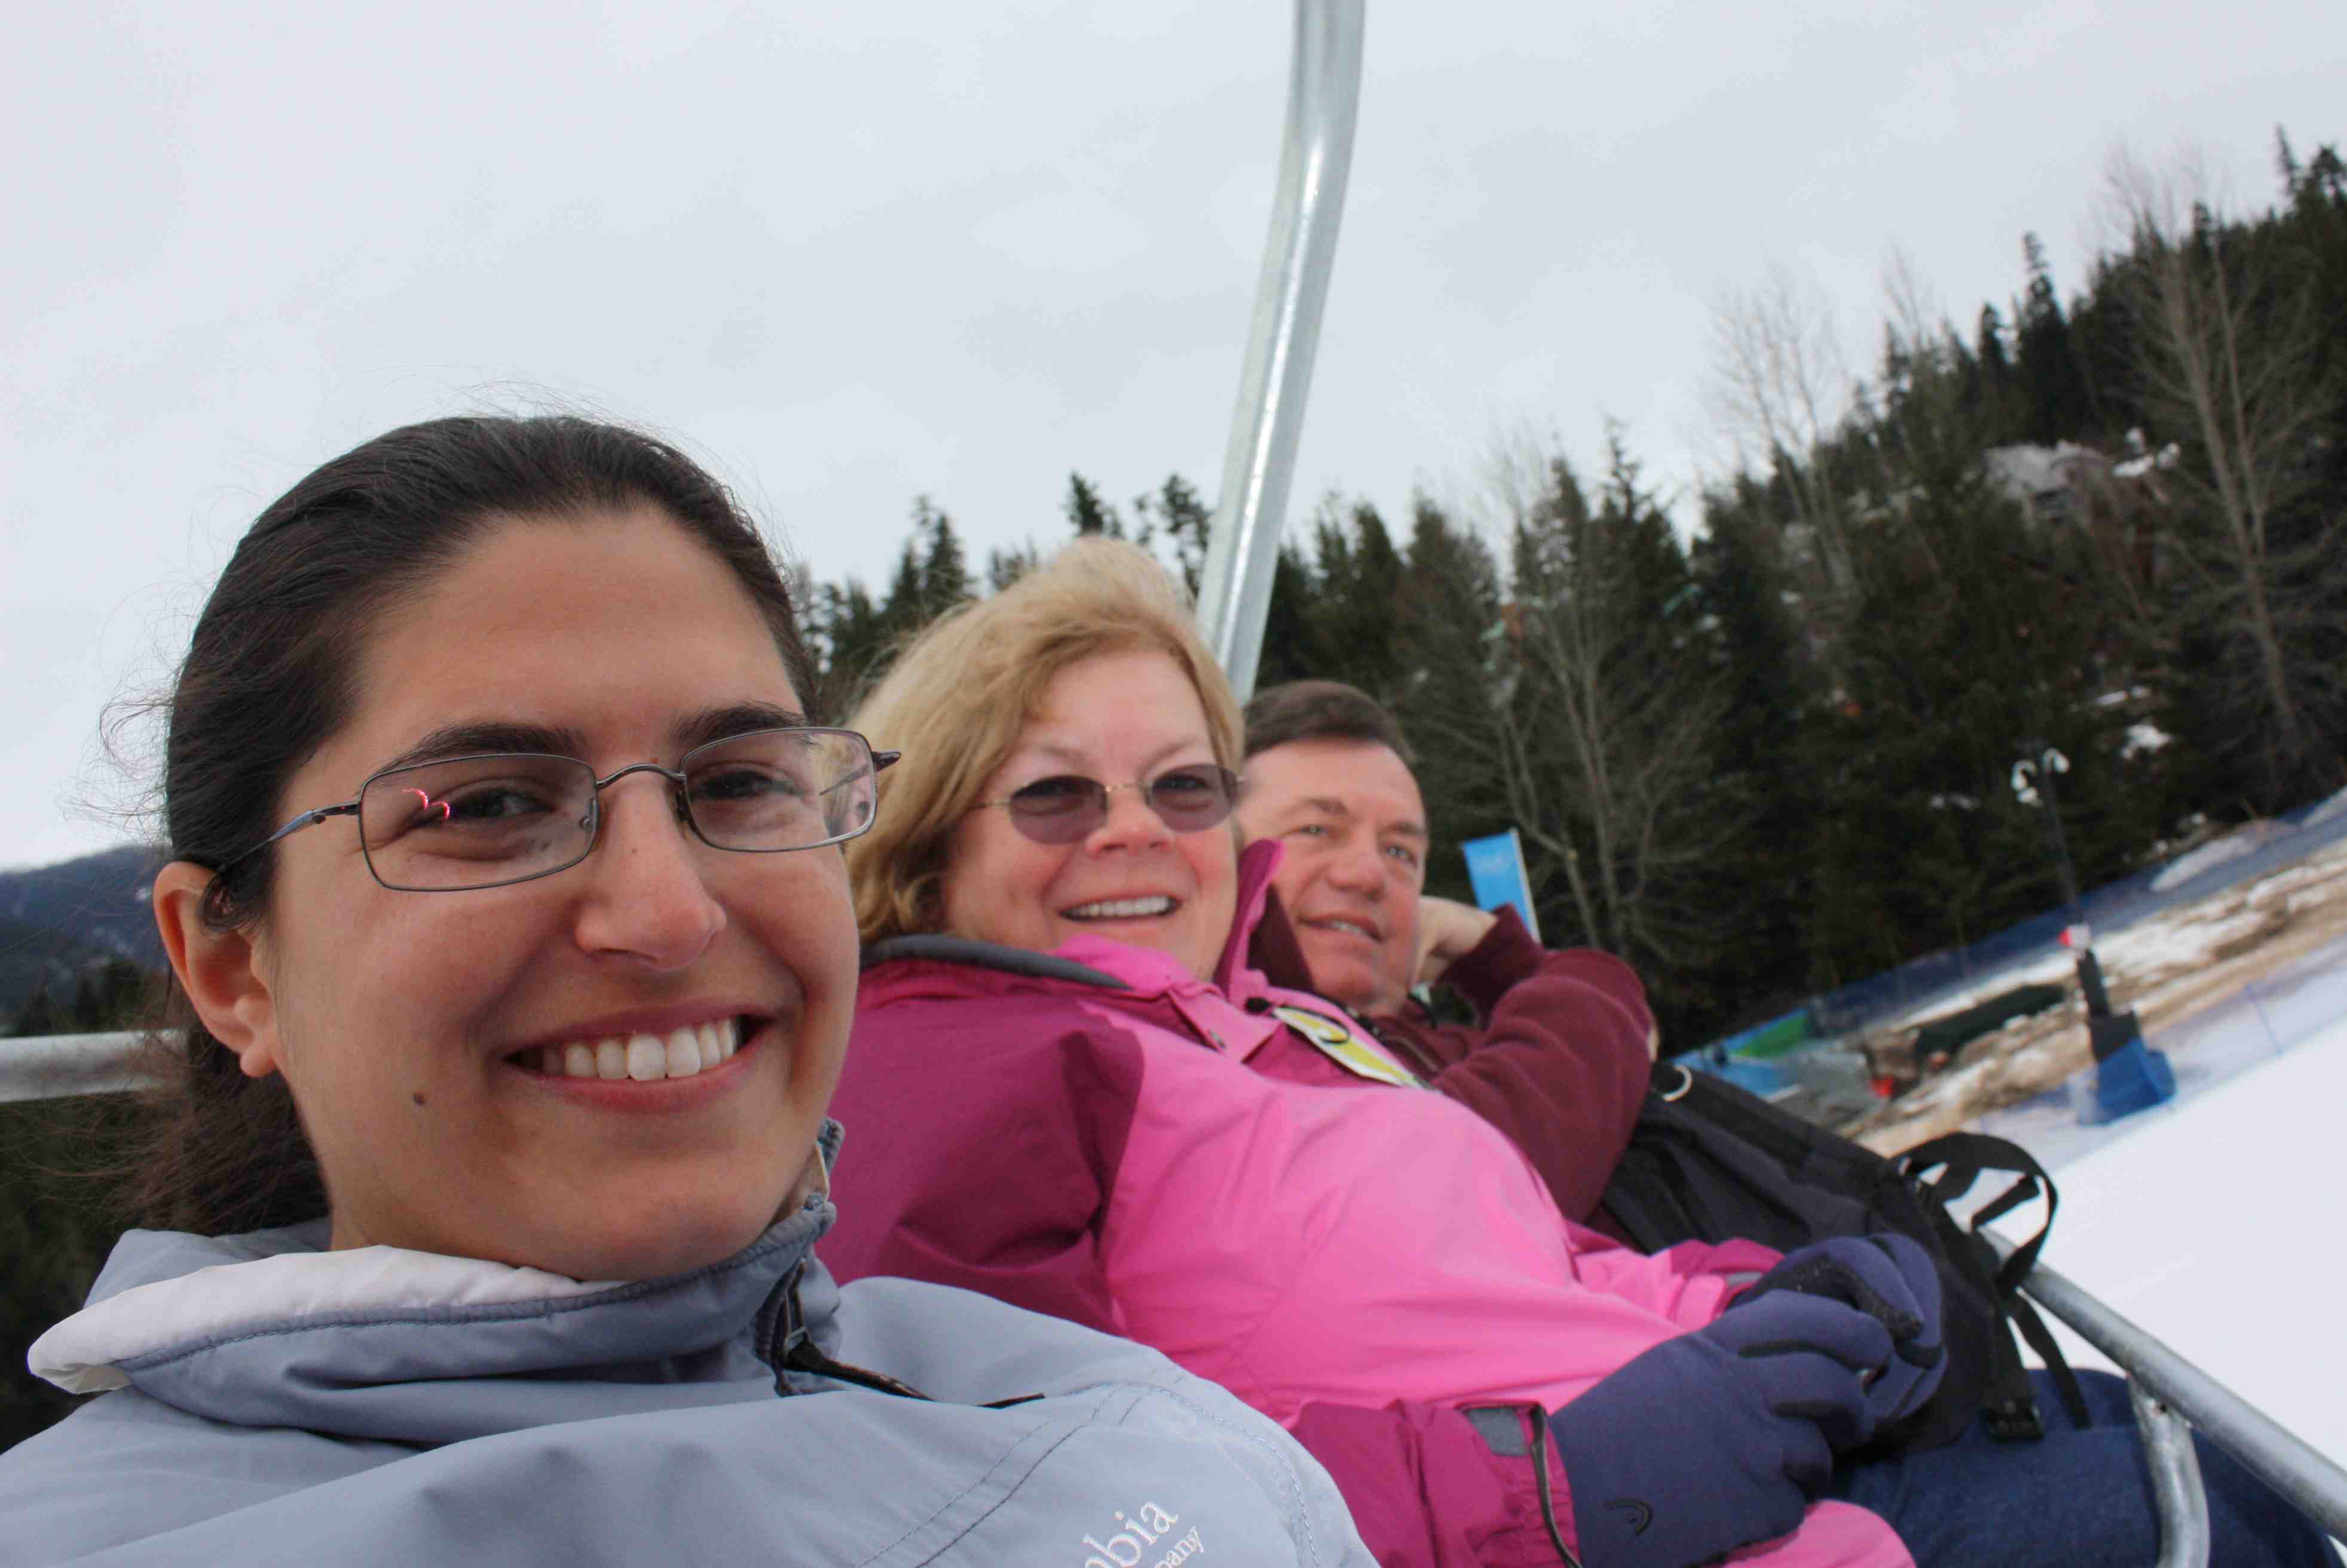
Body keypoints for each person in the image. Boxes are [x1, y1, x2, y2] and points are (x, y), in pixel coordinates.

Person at [0, 419, 1375, 1568]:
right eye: (487, 804)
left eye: (737, 782)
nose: (668, 913)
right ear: (234, 967)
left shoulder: (1095, 1400)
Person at [817, 538, 2342, 1568]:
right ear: (935, 828)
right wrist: (1549, 1486)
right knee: (2196, 1508)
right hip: (1585, 1520)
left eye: (1182, 785)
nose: (1135, 830)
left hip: (1720, 1472)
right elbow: (1035, 1508)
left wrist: (1745, 1293)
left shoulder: (1260, 1037)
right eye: (1056, 794)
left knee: (2168, 1454)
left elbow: (1501, 1267)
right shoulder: (964, 1059)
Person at [1233, 680, 1653, 1225]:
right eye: (1316, 829)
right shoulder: (1227, 1072)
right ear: (1220, 853)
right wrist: (1499, 956)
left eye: (1399, 851)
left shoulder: (1460, 1048)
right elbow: (1483, 1184)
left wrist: (1497, 958)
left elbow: (1635, 1035)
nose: (1370, 874)